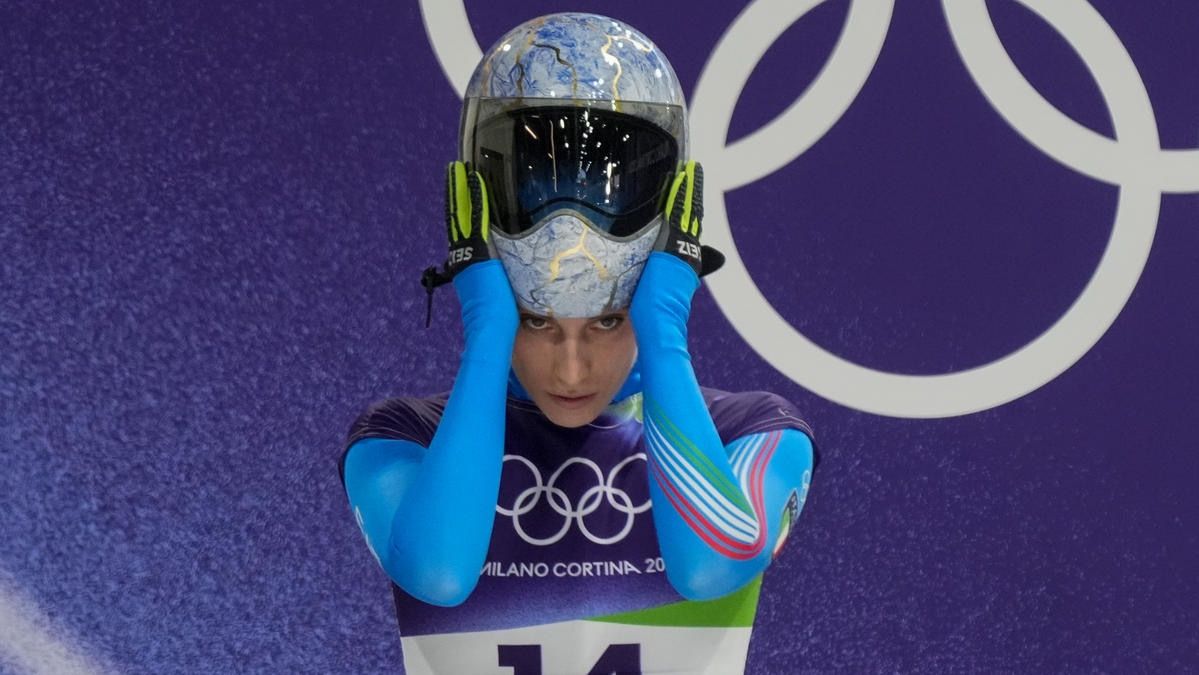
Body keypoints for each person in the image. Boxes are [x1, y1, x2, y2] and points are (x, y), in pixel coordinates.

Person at [339, 13, 817, 674]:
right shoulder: (401, 437)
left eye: (607, 321)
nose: (570, 369)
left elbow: (711, 564)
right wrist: (487, 328)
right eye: (536, 322)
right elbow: (439, 574)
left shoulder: (755, 431)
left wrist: (663, 328)